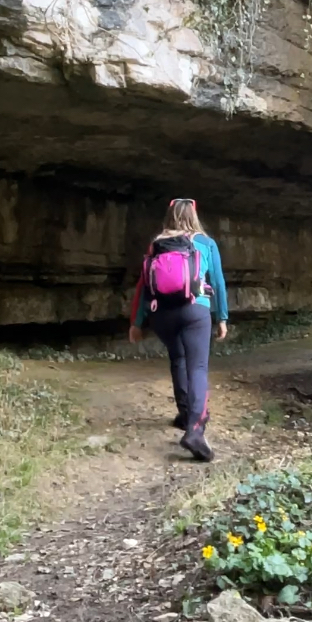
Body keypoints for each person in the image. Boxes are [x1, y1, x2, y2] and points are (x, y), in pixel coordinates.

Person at [128, 197, 228, 462]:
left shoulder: (157, 244)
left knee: (178, 358)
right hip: (195, 310)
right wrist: (222, 317)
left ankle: (184, 414)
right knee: (197, 367)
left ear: (169, 216)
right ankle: (195, 429)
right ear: (194, 217)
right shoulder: (206, 243)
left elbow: (144, 286)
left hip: (161, 313)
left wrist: (137, 322)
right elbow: (217, 281)